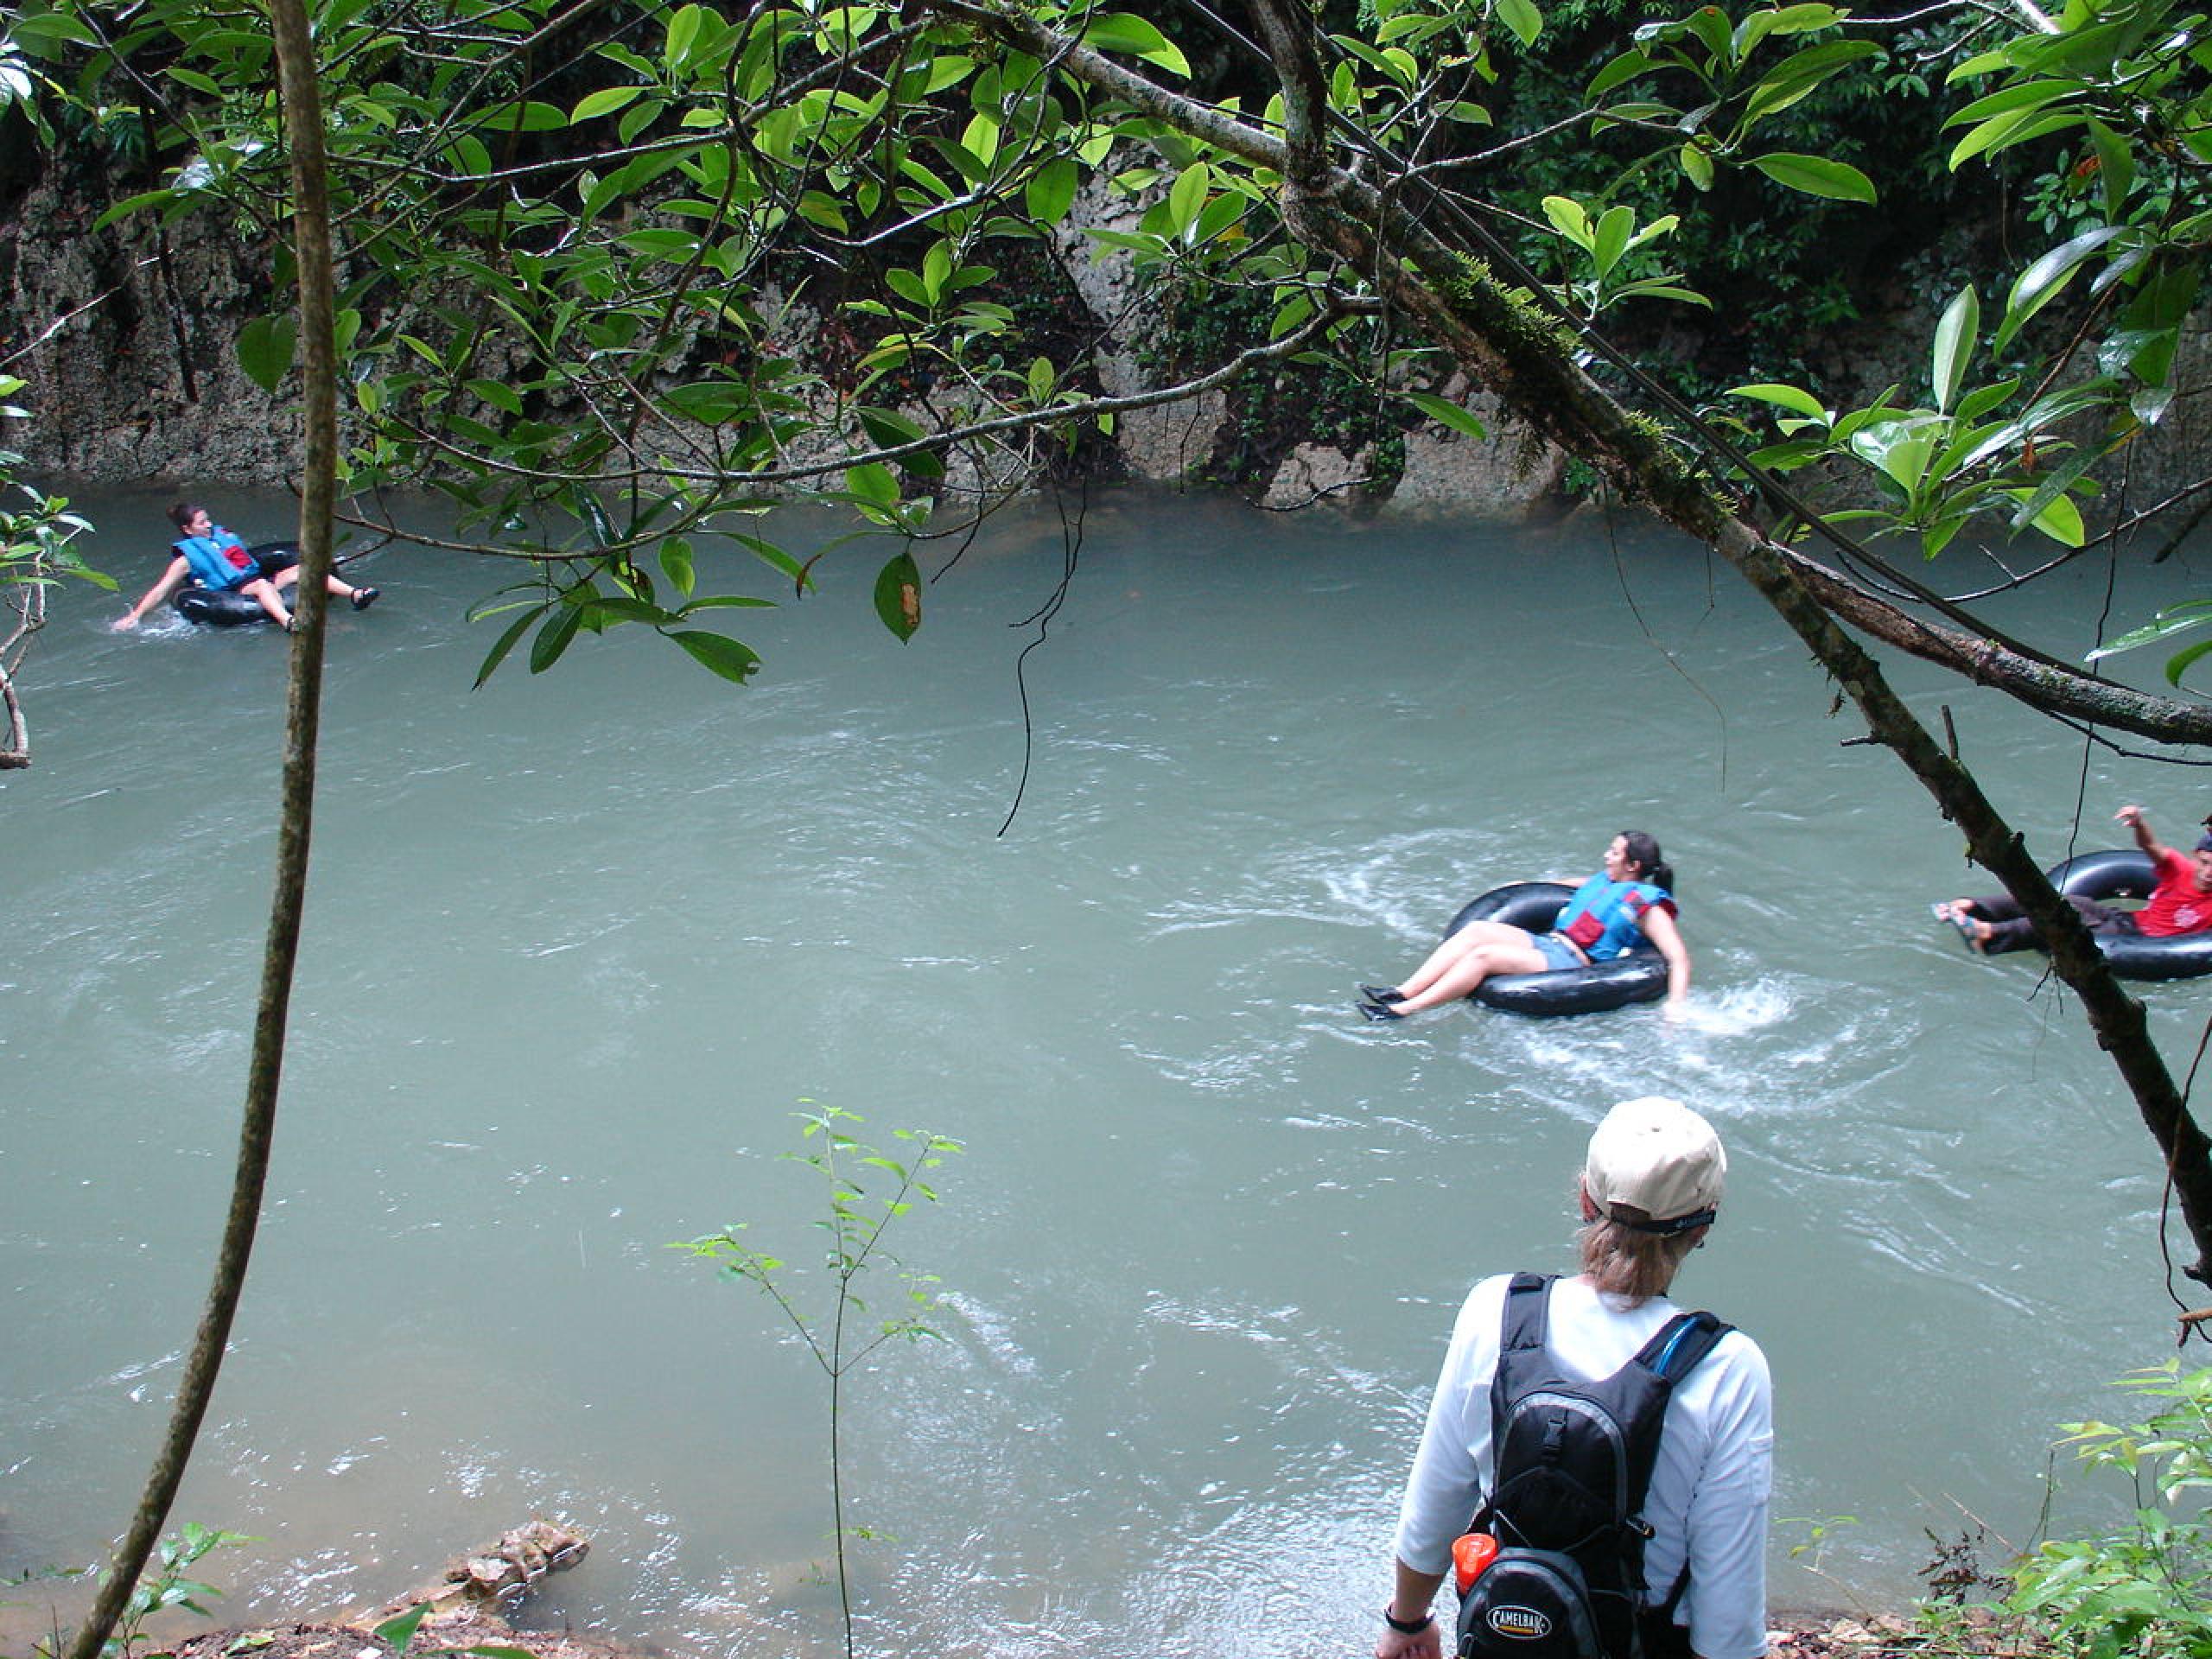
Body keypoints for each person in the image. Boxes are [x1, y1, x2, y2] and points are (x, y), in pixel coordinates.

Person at [1376, 1096, 1772, 1659]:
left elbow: (1437, 1497)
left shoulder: (1497, 1311)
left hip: (1505, 1634)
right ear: (1702, 1227)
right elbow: (1728, 1604)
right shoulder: (1727, 1367)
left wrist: (1408, 1623)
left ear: (1585, 1197)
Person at [1358, 831, 1690, 1021]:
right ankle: (1403, 989)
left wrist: (1675, 1005)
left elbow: (1678, 958)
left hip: (1572, 961)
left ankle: (1403, 1011)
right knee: (1475, 932)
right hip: (1550, 942)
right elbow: (1571, 888)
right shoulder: (1604, 882)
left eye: (1614, 852)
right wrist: (1527, 886)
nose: (1606, 855)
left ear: (1633, 865)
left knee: (1484, 957)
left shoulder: (1646, 907)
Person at [1933, 804, 2212, 954]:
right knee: (2071, 901)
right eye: (2206, 863)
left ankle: (1989, 935)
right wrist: (2139, 824)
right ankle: (1975, 907)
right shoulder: (2179, 869)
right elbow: (2152, 847)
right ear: (2196, 856)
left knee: (2066, 923)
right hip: (2129, 921)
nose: (2209, 873)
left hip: (2139, 941)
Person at [112, 503, 379, 632]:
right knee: (263, 585)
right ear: (187, 529)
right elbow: (161, 590)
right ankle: (287, 621)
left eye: (208, 520)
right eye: (202, 523)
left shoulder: (220, 538)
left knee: (306, 571)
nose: (209, 525)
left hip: (255, 580)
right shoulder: (185, 560)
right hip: (236, 592)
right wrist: (134, 617)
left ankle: (355, 595)